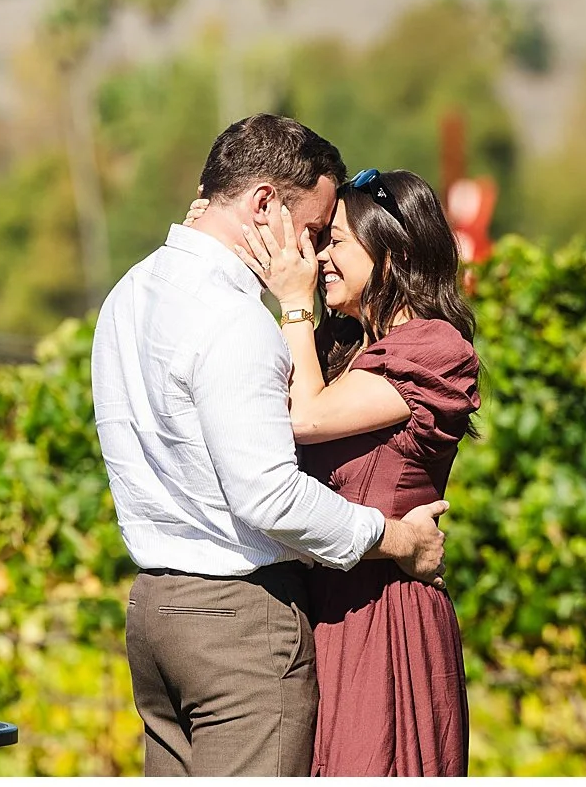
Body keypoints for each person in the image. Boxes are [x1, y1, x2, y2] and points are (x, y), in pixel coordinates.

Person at [93, 115, 452, 777]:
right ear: (263, 204)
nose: (311, 256)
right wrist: (397, 539)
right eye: (314, 230)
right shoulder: (235, 324)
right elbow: (270, 496)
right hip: (237, 623)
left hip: (153, 608)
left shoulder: (129, 295)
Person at [185, 166, 480, 776]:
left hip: (383, 615)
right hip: (310, 612)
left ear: (391, 254)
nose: (317, 257)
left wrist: (293, 305)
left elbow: (305, 418)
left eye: (334, 239)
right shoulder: (336, 353)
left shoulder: (436, 349)